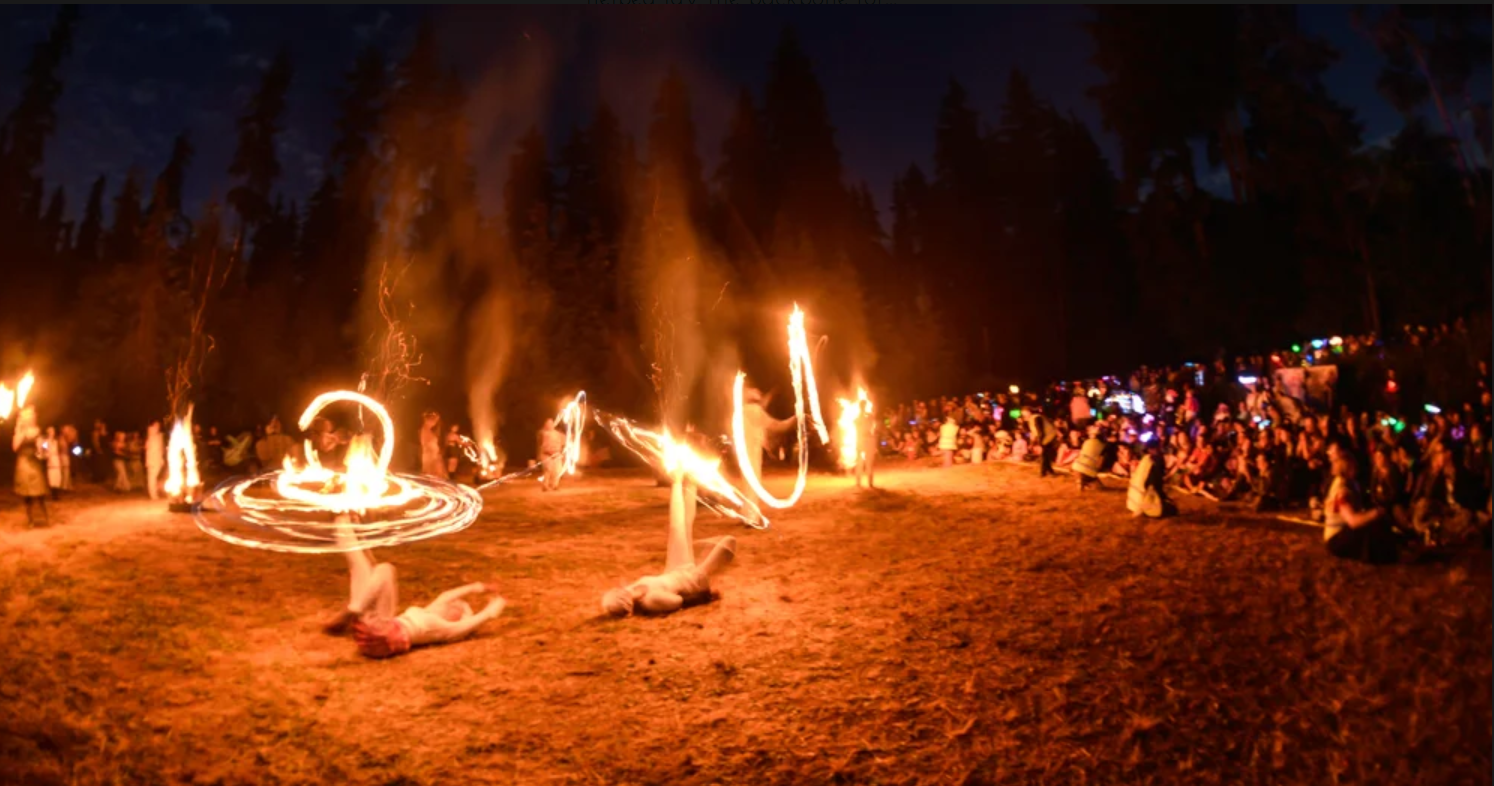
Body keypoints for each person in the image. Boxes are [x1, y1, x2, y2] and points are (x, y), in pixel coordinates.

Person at [324, 523, 506, 659]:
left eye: (458, 609)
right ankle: (344, 518)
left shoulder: (442, 629)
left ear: (458, 617)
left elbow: (469, 624)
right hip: (373, 628)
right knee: (360, 563)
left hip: (384, 638)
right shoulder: (430, 613)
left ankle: (353, 611)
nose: (453, 605)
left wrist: (493, 608)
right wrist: (479, 587)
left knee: (386, 570)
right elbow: (446, 596)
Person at [602, 459, 737, 617]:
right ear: (627, 603)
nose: (624, 589)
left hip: (675, 569)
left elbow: (611, 601)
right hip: (693, 580)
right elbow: (678, 601)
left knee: (679, 527)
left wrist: (677, 481)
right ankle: (683, 481)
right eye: (621, 594)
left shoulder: (634, 588)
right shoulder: (650, 600)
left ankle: (684, 481)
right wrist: (703, 591)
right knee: (729, 541)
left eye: (619, 591)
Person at [1323, 439, 1398, 564]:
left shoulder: (1343, 483)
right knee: (1370, 526)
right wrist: (1376, 513)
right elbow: (1353, 521)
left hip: (1339, 534)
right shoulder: (1342, 490)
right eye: (1353, 466)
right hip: (1336, 539)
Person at [739, 387, 796, 482]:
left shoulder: (741, 411)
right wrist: (793, 420)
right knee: (753, 476)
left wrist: (770, 395)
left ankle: (749, 495)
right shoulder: (756, 411)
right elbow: (776, 425)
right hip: (754, 448)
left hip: (743, 448)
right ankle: (752, 496)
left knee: (746, 477)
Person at [12, 406, 49, 526]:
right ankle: (30, 520)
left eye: (34, 415)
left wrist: (42, 450)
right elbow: (15, 447)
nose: (34, 417)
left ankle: (45, 517)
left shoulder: (37, 430)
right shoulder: (19, 431)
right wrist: (21, 432)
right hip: (23, 463)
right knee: (27, 495)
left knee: (40, 492)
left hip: (35, 463)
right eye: (31, 415)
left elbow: (42, 445)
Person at [1126, 441, 1176, 519]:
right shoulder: (1150, 458)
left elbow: (1158, 474)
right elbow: (1147, 473)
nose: (1151, 450)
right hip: (1150, 485)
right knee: (1153, 502)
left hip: (1152, 485)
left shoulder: (1156, 458)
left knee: (1156, 503)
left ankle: (1144, 508)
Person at [1073, 424, 1107, 491]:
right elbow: (1101, 462)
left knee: (1080, 474)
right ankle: (1084, 482)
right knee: (1100, 488)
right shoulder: (1103, 446)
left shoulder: (1086, 442)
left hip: (1076, 468)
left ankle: (1080, 481)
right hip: (1089, 471)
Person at [1027, 409, 1059, 478]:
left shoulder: (1036, 418)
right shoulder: (1032, 419)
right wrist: (1032, 443)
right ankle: (1047, 471)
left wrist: (1040, 443)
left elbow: (1040, 432)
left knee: (1044, 455)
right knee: (1045, 455)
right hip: (1046, 436)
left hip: (1048, 436)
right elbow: (1035, 433)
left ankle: (1044, 472)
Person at [537, 417, 566, 492]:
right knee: (547, 470)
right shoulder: (543, 433)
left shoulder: (557, 434)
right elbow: (540, 443)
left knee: (557, 471)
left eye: (551, 423)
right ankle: (545, 486)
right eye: (548, 423)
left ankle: (555, 485)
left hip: (556, 454)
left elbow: (563, 442)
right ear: (545, 425)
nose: (549, 425)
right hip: (546, 454)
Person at [854, 399, 877, 488]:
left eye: (863, 405)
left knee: (868, 462)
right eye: (862, 405)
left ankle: (869, 482)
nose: (863, 407)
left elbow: (872, 425)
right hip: (862, 440)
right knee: (860, 461)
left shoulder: (868, 416)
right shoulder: (861, 417)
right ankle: (859, 482)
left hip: (867, 440)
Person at [419, 412, 448, 480]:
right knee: (432, 475)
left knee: (437, 476)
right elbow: (425, 444)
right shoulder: (424, 430)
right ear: (427, 420)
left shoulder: (429, 430)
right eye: (433, 421)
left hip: (434, 456)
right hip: (430, 456)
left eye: (435, 422)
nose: (434, 423)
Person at [145, 420, 165, 501]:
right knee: (152, 478)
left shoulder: (159, 437)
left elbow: (160, 449)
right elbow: (148, 450)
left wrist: (161, 459)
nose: (157, 427)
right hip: (152, 460)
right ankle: (153, 494)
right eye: (156, 425)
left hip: (157, 459)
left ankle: (155, 493)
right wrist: (148, 461)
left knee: (155, 477)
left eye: (158, 426)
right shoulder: (150, 437)